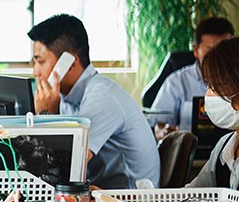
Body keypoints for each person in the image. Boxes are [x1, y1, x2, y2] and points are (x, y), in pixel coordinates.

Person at [29, 14, 160, 190]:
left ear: (69, 63)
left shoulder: (103, 98)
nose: (35, 72)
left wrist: (47, 116)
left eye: (41, 61)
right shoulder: (66, 98)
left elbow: (65, 170)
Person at [151, 17, 234, 139]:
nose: (218, 59)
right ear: (196, 50)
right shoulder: (176, 82)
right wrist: (163, 131)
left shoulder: (236, 79)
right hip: (190, 154)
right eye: (211, 51)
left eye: (224, 51)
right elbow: (157, 124)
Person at [187, 38, 239, 189]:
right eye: (209, 85)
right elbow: (191, 196)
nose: (209, 95)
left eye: (217, 86)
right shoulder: (225, 147)